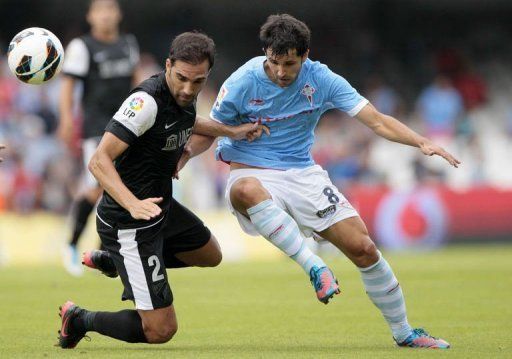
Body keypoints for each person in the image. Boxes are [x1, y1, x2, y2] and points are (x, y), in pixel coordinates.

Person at [205, 14, 457, 348]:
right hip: (251, 167)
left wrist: (420, 141)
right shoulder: (242, 81)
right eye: (274, 62)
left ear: (305, 56)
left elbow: (377, 121)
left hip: (303, 173)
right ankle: (315, 267)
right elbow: (206, 130)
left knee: (364, 249)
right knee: (244, 189)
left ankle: (405, 332)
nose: (281, 71)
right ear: (265, 52)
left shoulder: (322, 80)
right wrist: (177, 161)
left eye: (290, 63)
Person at [56, 31, 265, 349]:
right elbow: (98, 161)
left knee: (210, 255)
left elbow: (188, 119)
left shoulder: (184, 94)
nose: (187, 89)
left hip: (160, 208)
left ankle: (116, 262)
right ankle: (80, 318)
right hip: (129, 222)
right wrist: (132, 204)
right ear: (168, 65)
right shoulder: (145, 103)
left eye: (197, 82)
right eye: (181, 78)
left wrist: (230, 131)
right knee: (160, 330)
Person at [58, 0, 141, 276]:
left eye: (110, 9)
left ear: (118, 14)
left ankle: (102, 251)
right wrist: (67, 119)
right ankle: (72, 245)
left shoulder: (129, 43)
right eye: (100, 10)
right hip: (97, 129)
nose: (106, 15)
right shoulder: (82, 47)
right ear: (90, 16)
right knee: (99, 187)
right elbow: (68, 85)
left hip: (127, 127)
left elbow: (137, 84)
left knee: (118, 187)